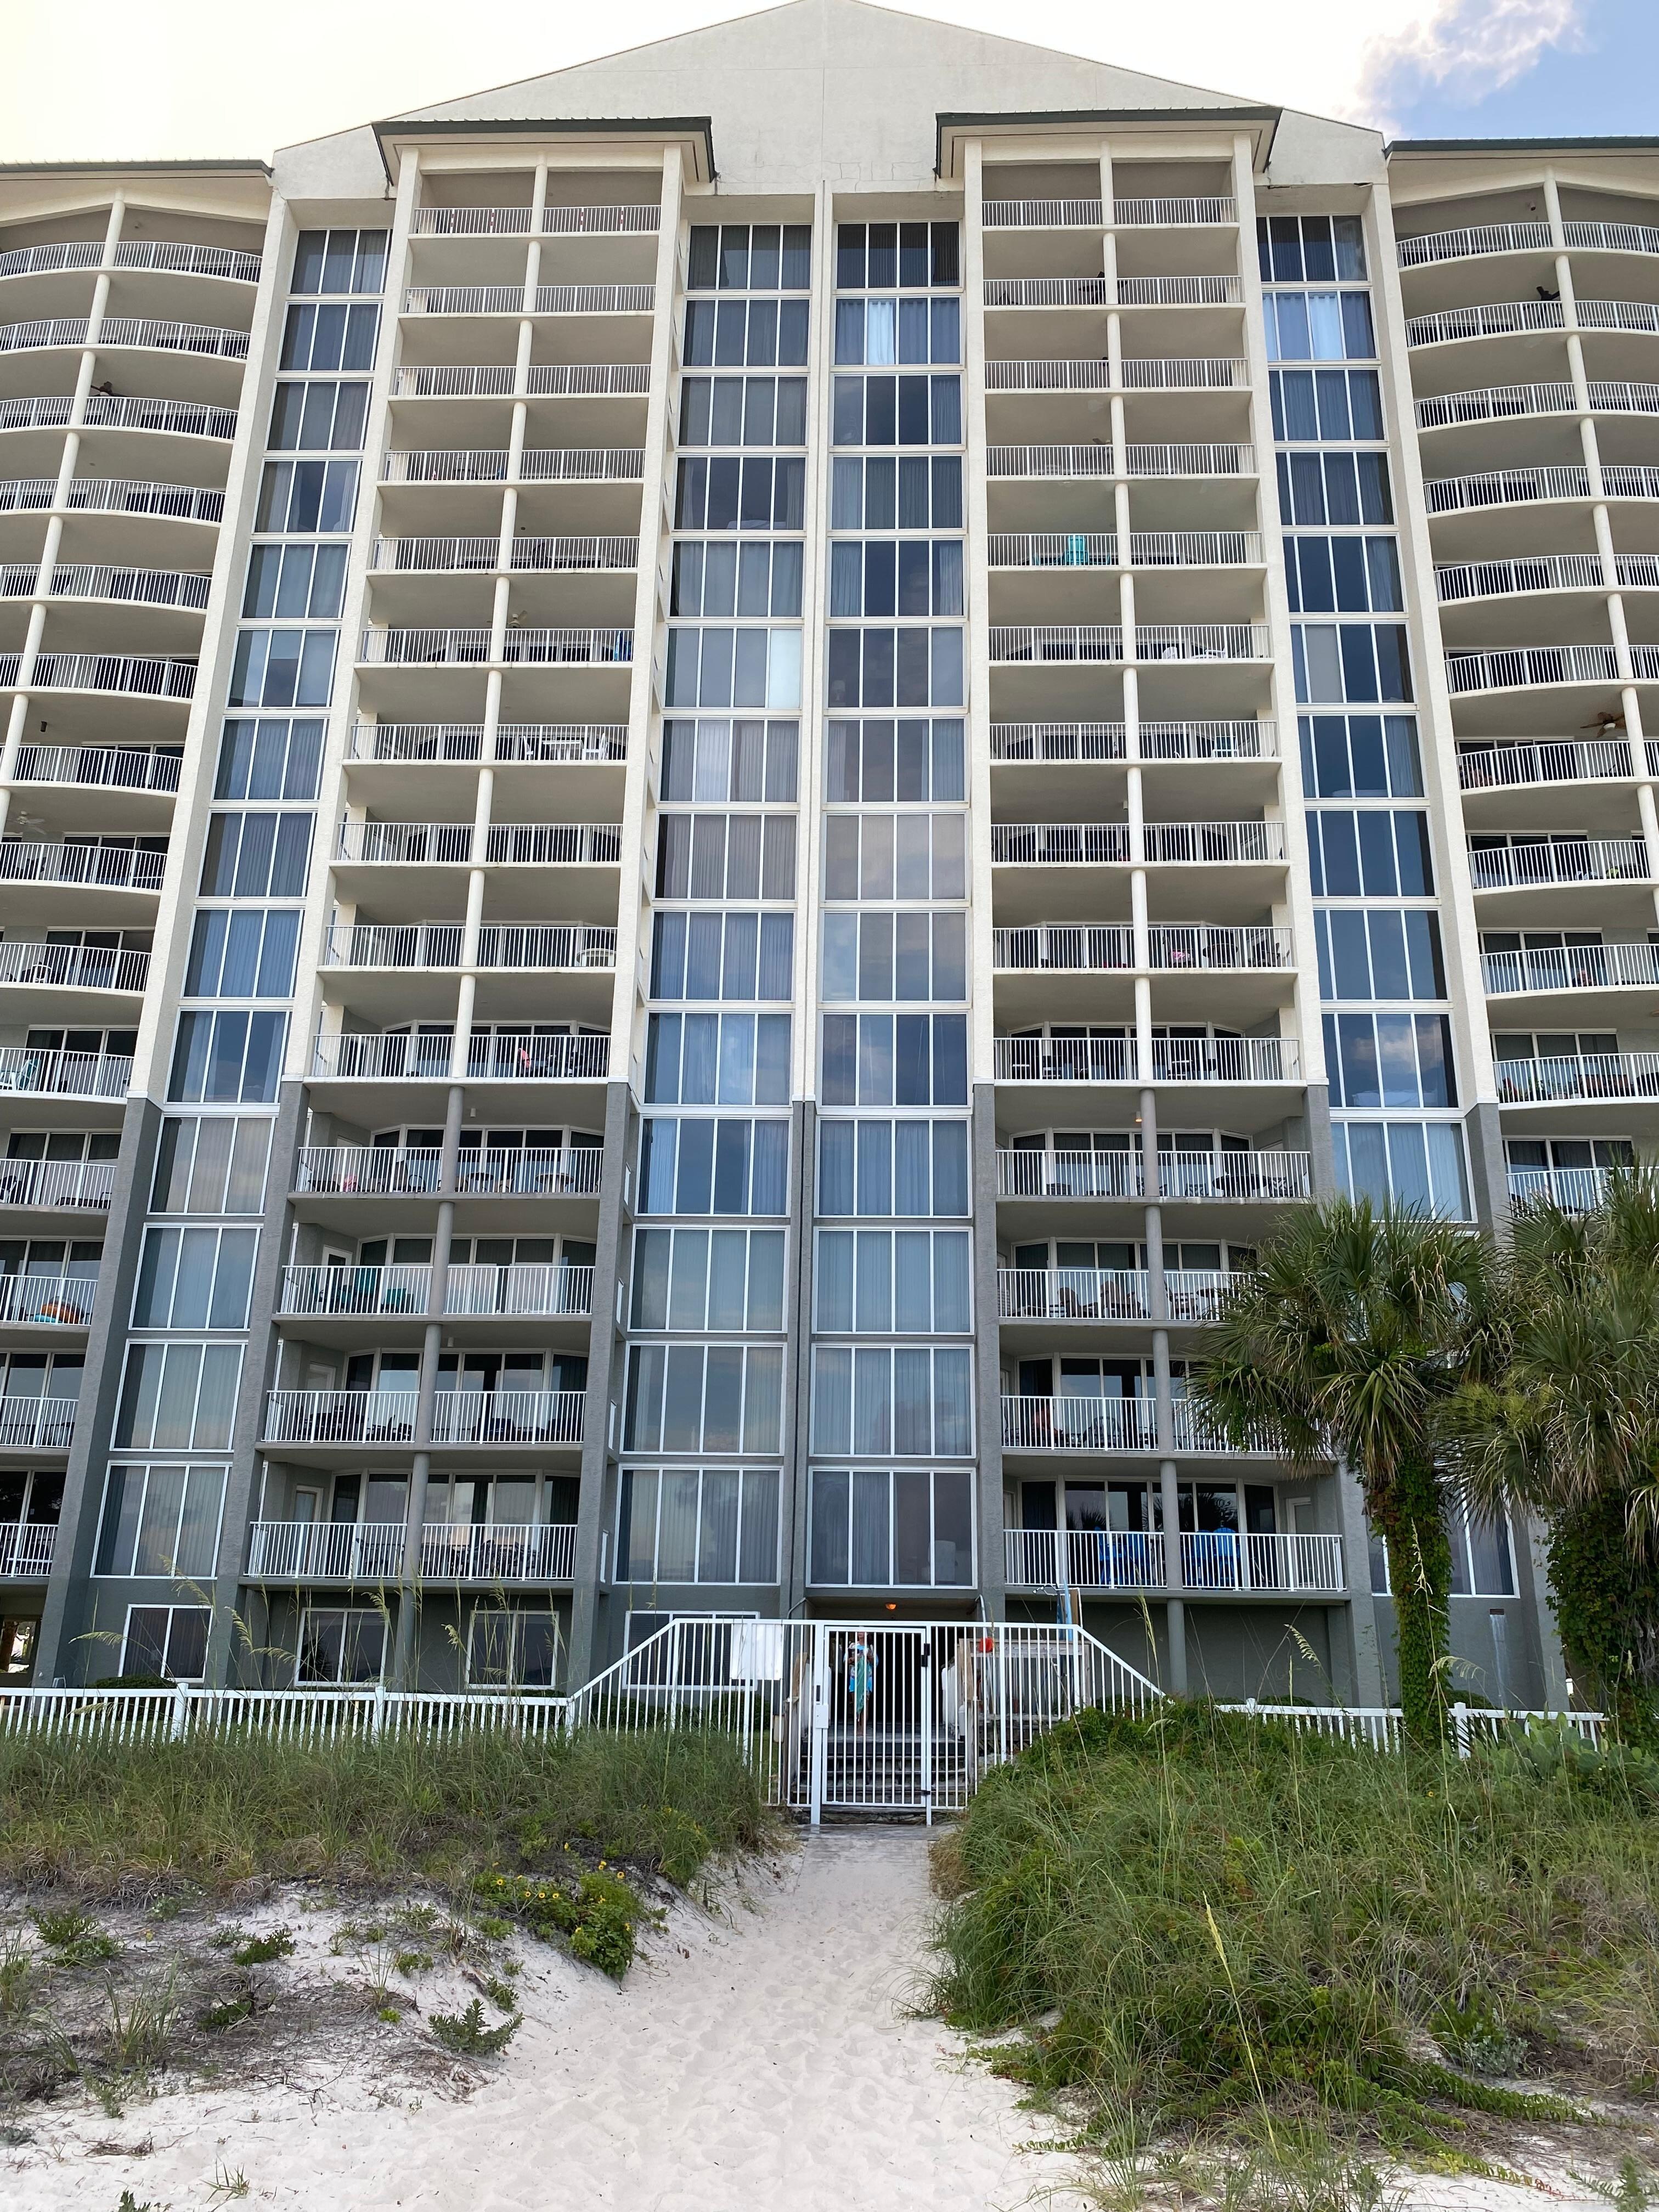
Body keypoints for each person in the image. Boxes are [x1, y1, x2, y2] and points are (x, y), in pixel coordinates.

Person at [847, 1633, 876, 1737]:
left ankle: (863, 1729)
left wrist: (869, 1658)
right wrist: (854, 1659)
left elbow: (875, 1662)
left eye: (862, 1632)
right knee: (855, 1703)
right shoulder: (852, 1646)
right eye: (859, 1632)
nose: (860, 1634)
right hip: (854, 1678)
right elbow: (846, 1661)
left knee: (865, 1704)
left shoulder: (870, 1647)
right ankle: (857, 1728)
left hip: (867, 1679)